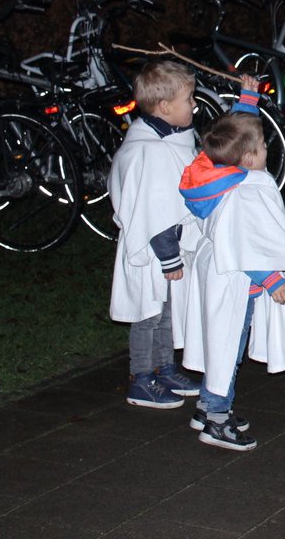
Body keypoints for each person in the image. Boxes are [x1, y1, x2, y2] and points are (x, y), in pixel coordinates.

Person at [178, 109, 285, 450]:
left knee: (218, 344)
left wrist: (248, 102)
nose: (267, 150)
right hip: (235, 280)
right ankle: (218, 420)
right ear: (248, 156)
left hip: (218, 274)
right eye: (264, 146)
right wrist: (272, 279)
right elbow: (242, 239)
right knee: (227, 349)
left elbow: (232, 132)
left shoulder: (216, 176)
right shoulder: (246, 191)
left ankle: (206, 407)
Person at [108, 60, 203, 410]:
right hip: (151, 250)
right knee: (147, 314)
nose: (193, 104)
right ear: (164, 107)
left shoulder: (173, 139)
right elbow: (152, 208)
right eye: (188, 98)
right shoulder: (148, 151)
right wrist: (169, 255)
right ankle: (141, 377)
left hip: (167, 248)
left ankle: (164, 368)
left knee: (165, 311)